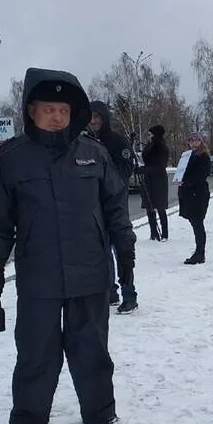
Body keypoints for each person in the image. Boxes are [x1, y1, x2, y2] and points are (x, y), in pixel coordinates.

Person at [0, 67, 136, 424]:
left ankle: (101, 412)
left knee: (93, 348)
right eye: (48, 109)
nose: (56, 117)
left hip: (91, 270)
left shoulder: (94, 154)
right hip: (39, 274)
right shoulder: (12, 157)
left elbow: (116, 208)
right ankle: (28, 419)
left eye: (63, 110)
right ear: (31, 111)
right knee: (37, 349)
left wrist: (126, 253)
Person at [85, 101, 138, 314]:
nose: (94, 121)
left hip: (115, 204)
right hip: (93, 206)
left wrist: (104, 174)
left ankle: (129, 294)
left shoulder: (117, 141)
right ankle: (110, 292)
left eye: (97, 117)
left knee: (122, 250)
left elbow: (126, 169)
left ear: (104, 118)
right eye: (91, 117)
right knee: (102, 252)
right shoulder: (84, 142)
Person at [177, 132, 211, 265]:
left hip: (198, 194)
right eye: (191, 140)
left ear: (201, 142)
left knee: (198, 223)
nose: (194, 143)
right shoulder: (187, 155)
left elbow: (201, 175)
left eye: (197, 140)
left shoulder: (203, 156)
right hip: (188, 193)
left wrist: (186, 182)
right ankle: (198, 251)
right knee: (194, 222)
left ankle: (200, 253)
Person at [141, 124, 169, 241]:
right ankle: (153, 232)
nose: (148, 136)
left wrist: (144, 169)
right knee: (150, 206)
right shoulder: (149, 146)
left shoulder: (161, 148)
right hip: (148, 179)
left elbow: (160, 166)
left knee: (160, 207)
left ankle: (164, 233)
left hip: (159, 180)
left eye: (150, 134)